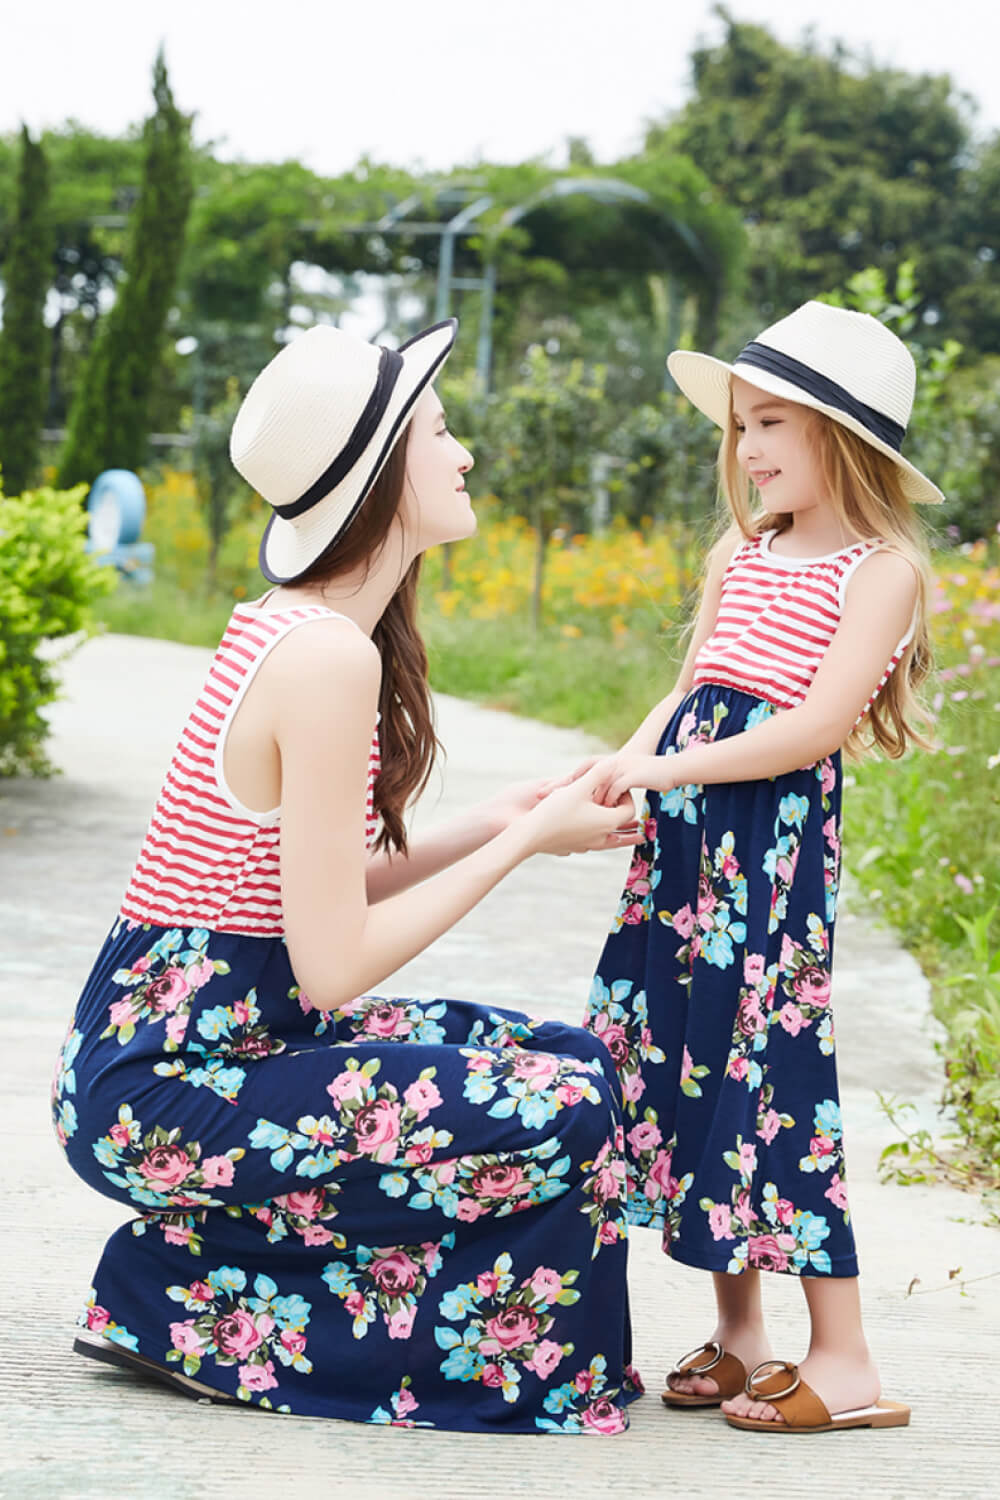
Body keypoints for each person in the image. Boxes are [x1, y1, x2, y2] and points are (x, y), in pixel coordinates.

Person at [53, 317, 645, 1434]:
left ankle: (189, 1279)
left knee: (567, 1056)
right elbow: (329, 969)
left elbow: (308, 891)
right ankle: (182, 1295)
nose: (463, 449)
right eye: (437, 429)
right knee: (556, 1108)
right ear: (381, 475)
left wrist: (495, 819)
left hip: (209, 1050)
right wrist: (528, 846)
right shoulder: (323, 656)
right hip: (168, 1090)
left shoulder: (308, 630)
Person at [578, 300, 937, 1434]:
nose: (749, 449)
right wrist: (632, 758)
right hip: (685, 862)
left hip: (766, 862)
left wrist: (675, 772)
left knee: (771, 1080)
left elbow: (812, 729)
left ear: (846, 438)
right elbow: (696, 686)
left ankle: (847, 1358)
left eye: (772, 422)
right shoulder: (745, 551)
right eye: (740, 427)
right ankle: (741, 1333)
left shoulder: (880, 572)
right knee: (692, 1070)